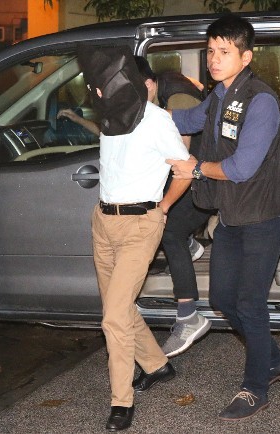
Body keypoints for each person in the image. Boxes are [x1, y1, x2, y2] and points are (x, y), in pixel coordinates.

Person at [166, 15, 280, 421]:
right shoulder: (219, 96)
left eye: (224, 52)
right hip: (232, 216)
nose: (214, 59)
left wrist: (196, 168)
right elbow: (189, 120)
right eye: (210, 51)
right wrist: (144, 113)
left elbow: (241, 167)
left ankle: (255, 389)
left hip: (264, 216)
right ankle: (275, 359)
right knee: (222, 299)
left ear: (246, 56)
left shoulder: (261, 100)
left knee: (250, 303)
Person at [59, 58, 214, 358]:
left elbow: (180, 162)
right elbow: (111, 133)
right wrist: (78, 119)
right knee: (164, 222)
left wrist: (159, 207)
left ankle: (189, 316)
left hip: (204, 179)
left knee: (168, 230)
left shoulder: (176, 98)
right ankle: (189, 244)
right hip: (195, 176)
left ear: (149, 84)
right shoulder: (145, 105)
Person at [77, 45, 191, 432]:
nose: (97, 93)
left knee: (113, 317)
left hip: (140, 225)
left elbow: (186, 169)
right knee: (120, 308)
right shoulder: (111, 116)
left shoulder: (157, 121)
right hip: (103, 221)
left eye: (102, 86)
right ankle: (157, 365)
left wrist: (163, 207)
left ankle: (121, 402)